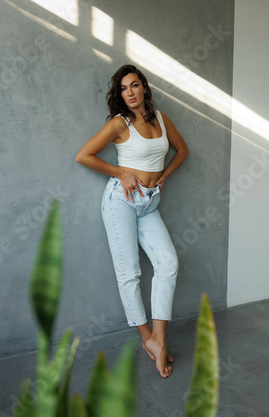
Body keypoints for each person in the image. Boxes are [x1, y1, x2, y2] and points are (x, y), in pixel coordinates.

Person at [76, 64, 189, 378]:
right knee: (131, 273)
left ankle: (159, 338)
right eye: (124, 88)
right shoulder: (119, 123)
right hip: (120, 202)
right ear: (120, 94)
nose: (130, 93)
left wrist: (164, 175)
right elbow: (84, 155)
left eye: (135, 85)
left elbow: (183, 150)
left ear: (144, 87)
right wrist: (120, 171)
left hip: (149, 203)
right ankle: (147, 340)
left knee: (168, 262)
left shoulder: (161, 119)